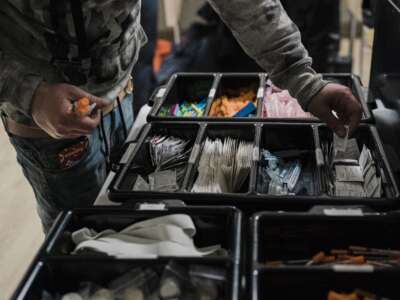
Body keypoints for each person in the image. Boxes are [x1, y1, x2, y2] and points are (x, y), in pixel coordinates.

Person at [0, 0, 362, 233]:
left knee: (128, 223)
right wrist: (30, 95)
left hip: (118, 91)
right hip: (42, 121)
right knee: (78, 242)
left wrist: (303, 79)